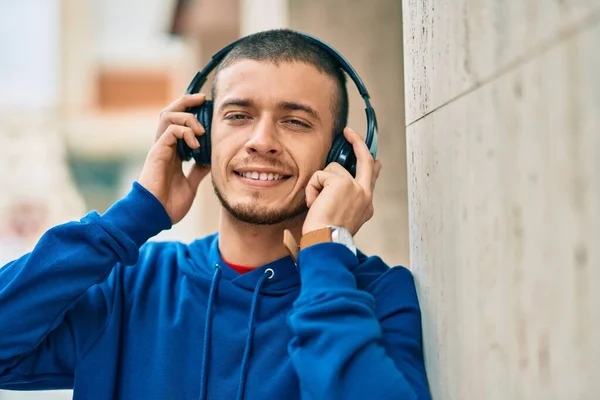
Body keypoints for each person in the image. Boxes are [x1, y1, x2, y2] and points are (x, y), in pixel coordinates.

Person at [0, 29, 431, 399]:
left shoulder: (379, 296)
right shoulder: (130, 286)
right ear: (200, 138)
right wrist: (131, 217)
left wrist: (326, 251)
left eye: (296, 122)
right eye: (238, 115)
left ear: (342, 158)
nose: (262, 141)